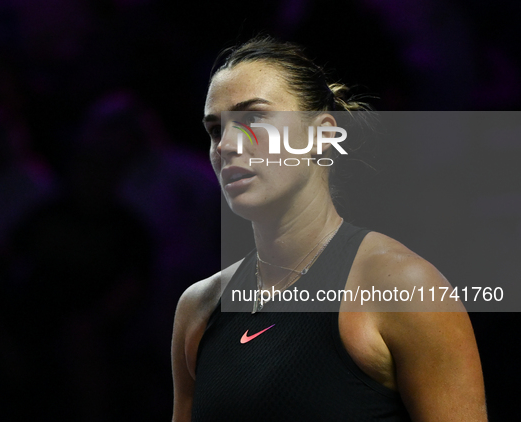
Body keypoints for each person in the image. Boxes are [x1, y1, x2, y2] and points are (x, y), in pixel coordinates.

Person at [171, 36, 487, 421]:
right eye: (215, 130)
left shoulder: (405, 287)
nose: (226, 145)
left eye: (253, 118)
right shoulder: (198, 309)